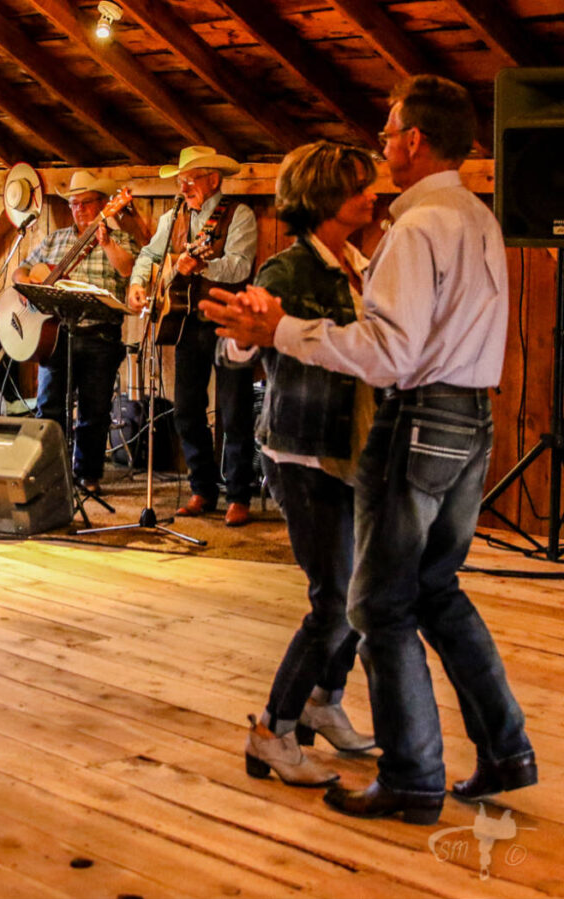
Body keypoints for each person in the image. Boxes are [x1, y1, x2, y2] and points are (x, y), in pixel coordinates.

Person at [203, 75, 535, 825]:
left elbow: (389, 354)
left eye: (387, 134)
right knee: (436, 593)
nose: (383, 148)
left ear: (414, 141)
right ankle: (506, 750)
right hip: (469, 420)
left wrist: (279, 330)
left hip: (416, 421)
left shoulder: (417, 228)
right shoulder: (477, 216)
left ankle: (414, 776)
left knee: (378, 605)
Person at [225, 142, 379, 788]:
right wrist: (241, 331)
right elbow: (236, 352)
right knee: (334, 603)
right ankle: (274, 729)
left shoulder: (359, 264)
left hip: (352, 449)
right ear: (325, 199)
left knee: (358, 597)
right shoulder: (288, 272)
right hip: (302, 450)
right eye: (360, 187)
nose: (374, 195)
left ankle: (324, 699)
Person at [127, 146, 258, 527]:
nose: (184, 186)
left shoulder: (239, 215)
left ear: (213, 180)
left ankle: (238, 495)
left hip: (228, 322)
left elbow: (239, 266)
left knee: (235, 411)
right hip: (186, 323)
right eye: (181, 180)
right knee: (187, 409)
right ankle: (202, 489)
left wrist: (203, 265)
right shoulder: (174, 218)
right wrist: (139, 284)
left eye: (191, 179)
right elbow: (149, 256)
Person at [12, 170, 140, 491]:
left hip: (100, 335)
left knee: (94, 411)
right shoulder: (55, 239)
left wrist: (107, 241)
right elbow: (21, 269)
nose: (78, 209)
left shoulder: (121, 239)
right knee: (48, 407)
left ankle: (88, 475)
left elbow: (127, 270)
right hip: (56, 336)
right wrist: (27, 282)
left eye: (84, 203)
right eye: (73, 203)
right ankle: (49, 472)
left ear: (103, 205)